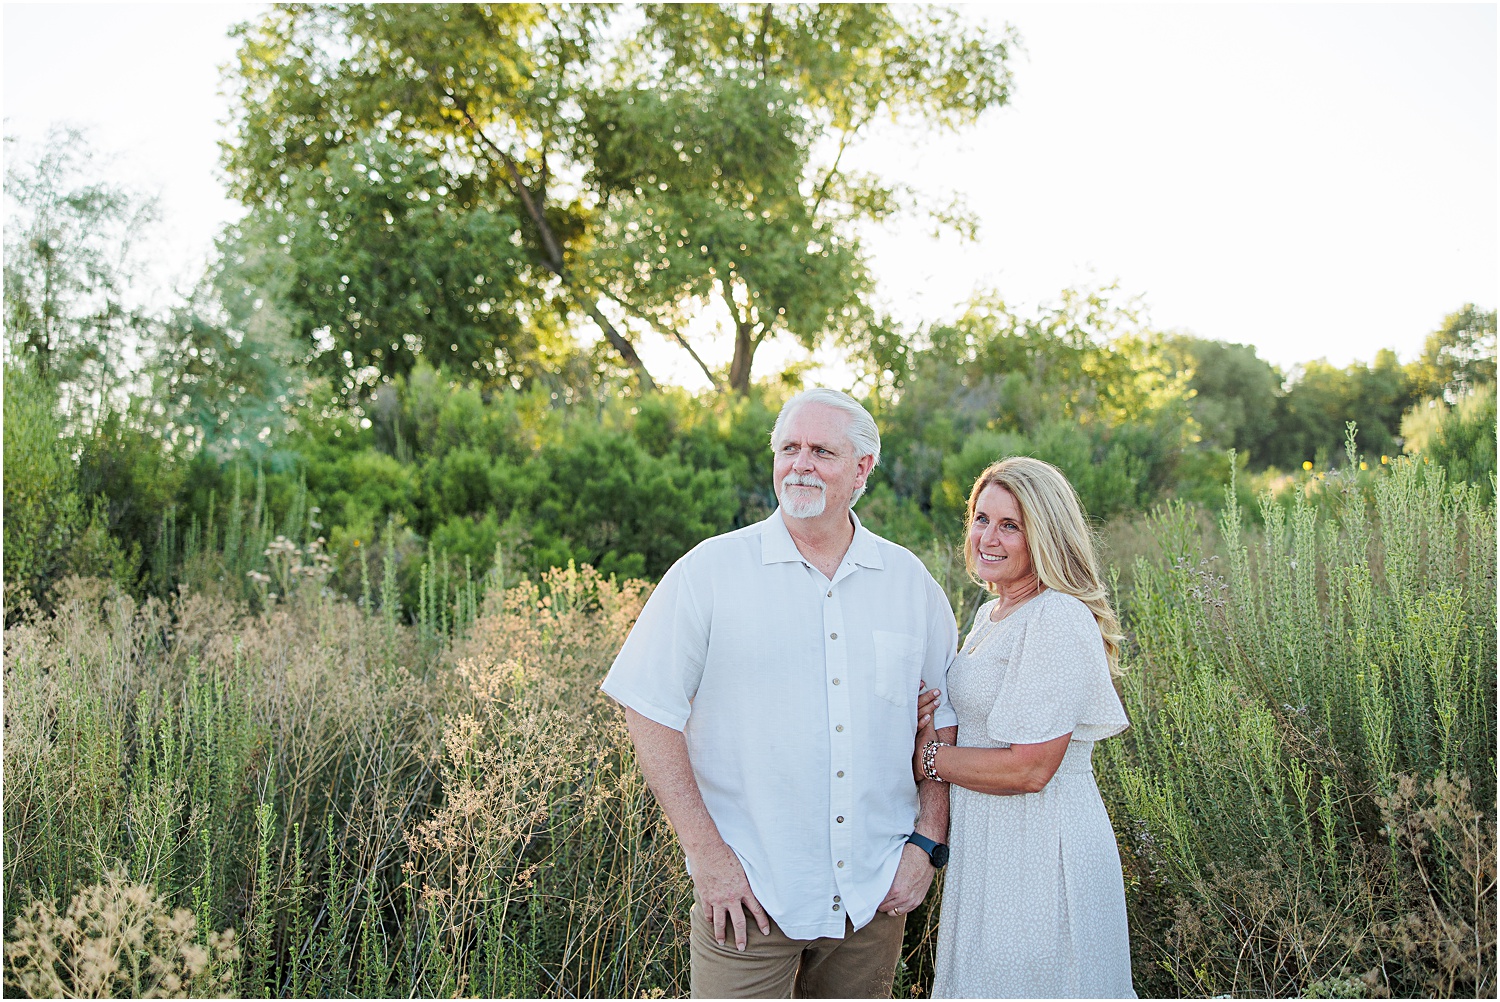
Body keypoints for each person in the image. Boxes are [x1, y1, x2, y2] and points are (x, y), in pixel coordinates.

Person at [601, 387, 960, 999]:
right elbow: (649, 711)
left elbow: (943, 720)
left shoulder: (909, 584)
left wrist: (927, 843)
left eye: (822, 451)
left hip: (873, 893)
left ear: (862, 468)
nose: (801, 464)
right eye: (789, 448)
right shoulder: (709, 573)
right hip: (748, 894)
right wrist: (708, 856)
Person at [915, 456, 1135, 999]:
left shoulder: (1057, 618)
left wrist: (925, 759)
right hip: (991, 846)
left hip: (1042, 850)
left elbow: (1031, 767)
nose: (988, 537)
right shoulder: (991, 615)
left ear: (1045, 535)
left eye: (1010, 525)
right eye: (981, 518)